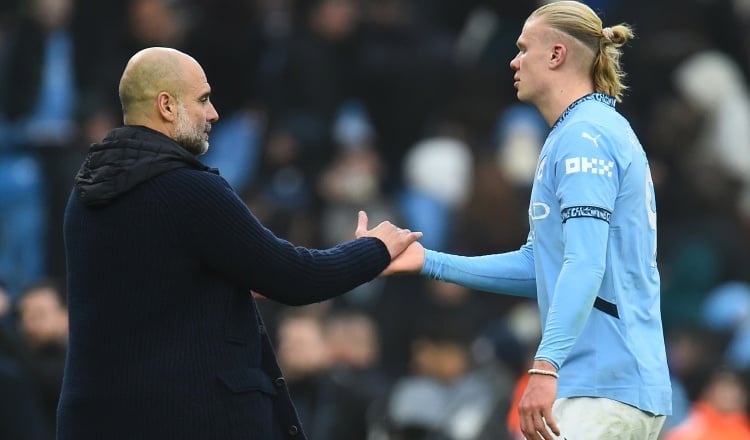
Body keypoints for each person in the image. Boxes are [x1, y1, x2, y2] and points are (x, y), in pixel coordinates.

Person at [58, 46, 421, 440]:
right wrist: (376, 248)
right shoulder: (189, 188)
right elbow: (295, 276)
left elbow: (155, 290)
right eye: (203, 100)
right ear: (166, 105)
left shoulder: (85, 195)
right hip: (187, 420)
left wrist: (225, 285)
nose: (213, 113)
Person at [386, 2, 671, 439]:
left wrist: (545, 364)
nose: (513, 60)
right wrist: (429, 261)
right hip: (614, 387)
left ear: (556, 55)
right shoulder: (582, 131)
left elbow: (585, 263)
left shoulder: (584, 138)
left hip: (602, 386)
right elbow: (540, 265)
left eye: (523, 48)